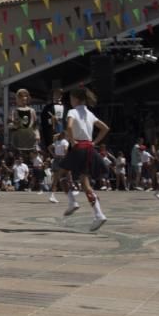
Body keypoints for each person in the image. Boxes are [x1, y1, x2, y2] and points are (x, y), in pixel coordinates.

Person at [61, 88, 110, 231]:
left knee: (60, 173)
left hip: (79, 147)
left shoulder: (73, 111)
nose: (70, 101)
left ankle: (72, 202)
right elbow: (105, 128)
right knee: (85, 182)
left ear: (76, 99)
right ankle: (99, 214)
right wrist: (95, 142)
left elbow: (69, 126)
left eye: (71, 98)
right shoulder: (89, 113)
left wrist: (72, 140)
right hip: (90, 148)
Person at [49, 132, 70, 203]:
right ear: (65, 136)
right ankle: (72, 190)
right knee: (67, 175)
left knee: (55, 179)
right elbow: (65, 149)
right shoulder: (65, 142)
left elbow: (49, 147)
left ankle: (52, 195)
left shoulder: (56, 142)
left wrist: (53, 154)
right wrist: (67, 155)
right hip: (62, 159)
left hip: (56, 159)